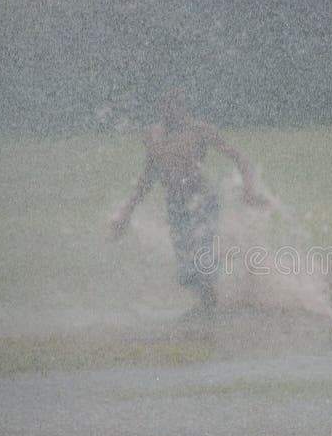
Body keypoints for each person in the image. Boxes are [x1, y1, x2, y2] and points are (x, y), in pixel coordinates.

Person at [110, 89, 265, 312]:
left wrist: (249, 188)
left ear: (183, 109)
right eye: (165, 107)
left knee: (201, 257)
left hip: (202, 199)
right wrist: (126, 212)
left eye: (176, 107)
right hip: (176, 205)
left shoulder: (199, 131)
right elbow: (148, 175)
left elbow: (239, 157)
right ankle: (209, 304)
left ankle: (211, 307)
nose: (170, 112)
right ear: (159, 109)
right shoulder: (152, 135)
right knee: (186, 269)